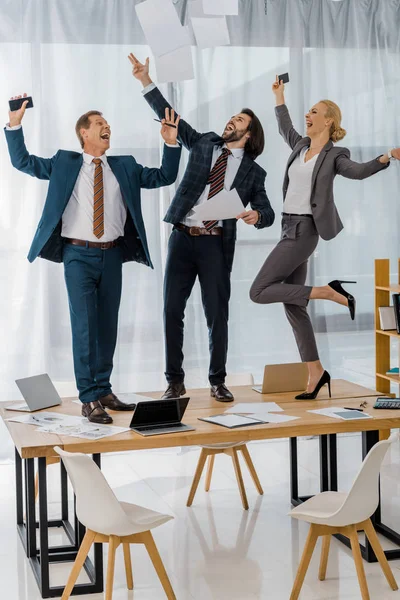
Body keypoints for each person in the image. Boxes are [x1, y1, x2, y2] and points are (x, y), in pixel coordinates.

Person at [5, 93, 181, 423]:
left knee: (107, 326)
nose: (107, 128)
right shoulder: (64, 163)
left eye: (108, 125)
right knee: (84, 326)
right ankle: (88, 398)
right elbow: (23, 162)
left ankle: (103, 389)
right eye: (100, 124)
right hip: (77, 255)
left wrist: (171, 144)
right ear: (84, 133)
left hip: (112, 255)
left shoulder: (124, 166)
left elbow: (163, 177)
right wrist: (14, 125)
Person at [128, 53, 275, 402]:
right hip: (182, 237)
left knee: (217, 316)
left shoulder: (254, 173)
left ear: (249, 133)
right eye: (230, 117)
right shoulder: (203, 142)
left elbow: (267, 211)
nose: (230, 121)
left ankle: (217, 380)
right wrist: (146, 82)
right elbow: (171, 117)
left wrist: (257, 217)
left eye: (237, 120)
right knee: (170, 311)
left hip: (214, 244)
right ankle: (174, 382)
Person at [250, 76, 400, 400]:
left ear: (328, 119)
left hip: (304, 232)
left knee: (258, 291)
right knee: (293, 306)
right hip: (287, 227)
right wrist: (279, 95)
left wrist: (386, 156)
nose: (308, 115)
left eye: (314, 112)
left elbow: (358, 171)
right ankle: (316, 372)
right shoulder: (301, 145)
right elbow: (284, 126)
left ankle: (327, 292)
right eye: (308, 112)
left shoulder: (335, 155)